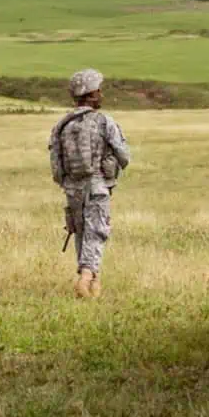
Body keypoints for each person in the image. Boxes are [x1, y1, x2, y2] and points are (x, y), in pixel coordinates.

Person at [48, 68, 131, 298]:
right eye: (98, 90)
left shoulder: (61, 125)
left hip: (72, 189)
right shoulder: (104, 121)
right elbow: (124, 155)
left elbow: (56, 167)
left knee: (83, 234)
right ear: (91, 94)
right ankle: (85, 277)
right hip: (96, 186)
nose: (101, 94)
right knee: (97, 233)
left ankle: (93, 286)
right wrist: (110, 162)